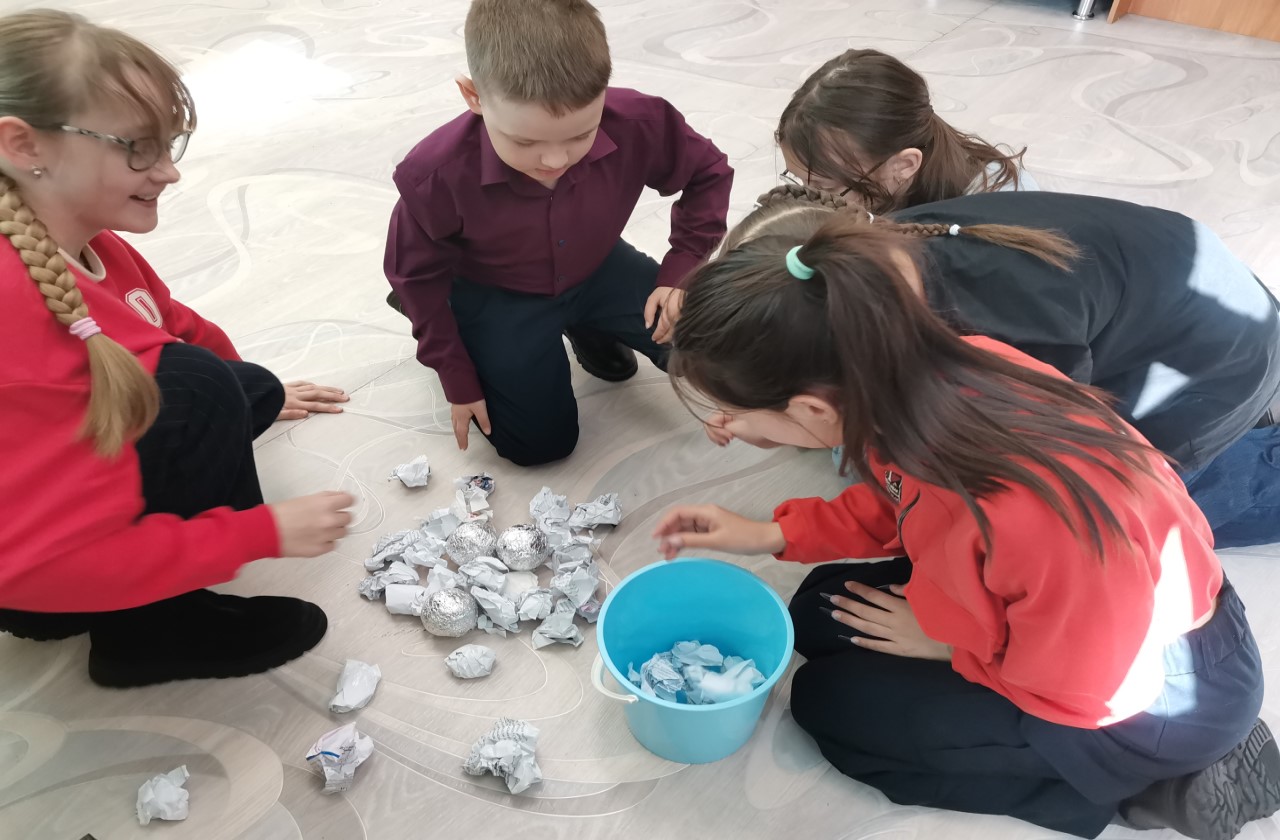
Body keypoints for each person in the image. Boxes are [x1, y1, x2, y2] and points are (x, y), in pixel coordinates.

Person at [652, 214, 1280, 839]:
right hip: (1057, 617)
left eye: (733, 413)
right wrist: (771, 534)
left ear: (814, 408)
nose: (728, 426)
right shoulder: (914, 379)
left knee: (828, 705)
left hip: (1147, 697)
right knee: (814, 609)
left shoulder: (1035, 524)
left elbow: (1088, 688)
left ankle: (1149, 792)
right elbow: (899, 500)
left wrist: (951, 648)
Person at [0, 9, 354, 687]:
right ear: (24, 144)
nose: (168, 172)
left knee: (235, 382)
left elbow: (162, 318)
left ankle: (151, 570)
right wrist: (257, 534)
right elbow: (38, 564)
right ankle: (150, 633)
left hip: (49, 505)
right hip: (37, 575)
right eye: (137, 147)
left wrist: (255, 391)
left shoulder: (86, 241)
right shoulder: (17, 323)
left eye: (169, 144)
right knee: (198, 385)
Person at [700, 185, 1280, 548]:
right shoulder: (865, 262)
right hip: (1172, 295)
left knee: (1132, 524)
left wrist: (950, 638)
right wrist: (779, 424)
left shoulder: (986, 377)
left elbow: (990, 516)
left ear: (814, 406)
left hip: (1217, 365)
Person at [383, 0, 733, 466]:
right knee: (540, 446)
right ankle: (465, 322)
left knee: (712, 349)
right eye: (524, 141)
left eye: (581, 134)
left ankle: (588, 325)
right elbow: (415, 274)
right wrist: (456, 373)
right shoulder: (434, 175)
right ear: (474, 96)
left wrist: (680, 272)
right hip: (497, 292)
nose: (554, 161)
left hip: (598, 264)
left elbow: (708, 173)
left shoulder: (640, 120)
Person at [777, 49, 1036, 213]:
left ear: (904, 165)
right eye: (800, 181)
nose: (811, 202)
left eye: (827, 189)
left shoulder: (996, 215)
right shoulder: (878, 189)